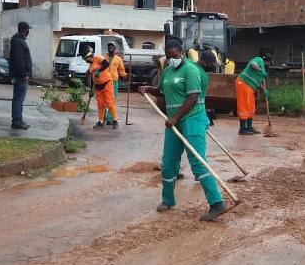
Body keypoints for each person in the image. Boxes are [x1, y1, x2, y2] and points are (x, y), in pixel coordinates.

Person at [140, 38, 226, 221]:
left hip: (192, 119)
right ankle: (168, 200)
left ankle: (217, 203)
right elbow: (162, 91)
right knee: (169, 161)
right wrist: (149, 89)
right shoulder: (168, 71)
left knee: (197, 161)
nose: (172, 59)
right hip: (173, 122)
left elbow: (193, 97)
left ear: (182, 53)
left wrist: (176, 117)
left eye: (175, 56)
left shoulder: (191, 71)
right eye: (169, 57)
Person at [235, 53, 269, 135]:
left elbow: (258, 81)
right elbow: (252, 64)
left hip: (250, 87)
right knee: (244, 106)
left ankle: (249, 127)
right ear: (267, 61)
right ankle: (242, 129)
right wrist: (260, 70)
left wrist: (264, 90)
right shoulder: (258, 60)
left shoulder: (262, 70)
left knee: (251, 107)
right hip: (243, 83)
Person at [8, 21, 32, 130]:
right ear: (23, 30)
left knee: (19, 99)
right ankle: (17, 121)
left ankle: (19, 120)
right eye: (27, 30)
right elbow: (19, 60)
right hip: (20, 76)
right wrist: (24, 74)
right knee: (18, 99)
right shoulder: (18, 42)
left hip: (19, 75)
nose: (28, 32)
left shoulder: (19, 41)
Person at [85, 51, 117, 128]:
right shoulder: (90, 66)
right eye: (85, 59)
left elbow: (106, 64)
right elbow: (92, 78)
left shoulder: (98, 58)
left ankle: (115, 120)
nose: (86, 60)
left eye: (87, 58)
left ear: (90, 56)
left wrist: (99, 71)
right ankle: (100, 121)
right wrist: (91, 90)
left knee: (109, 103)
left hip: (107, 83)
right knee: (100, 105)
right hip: (98, 86)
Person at [103, 42, 128, 124]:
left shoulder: (118, 59)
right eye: (109, 46)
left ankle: (109, 119)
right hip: (104, 82)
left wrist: (126, 75)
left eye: (112, 46)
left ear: (115, 48)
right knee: (104, 100)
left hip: (114, 82)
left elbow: (121, 71)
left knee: (112, 101)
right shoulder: (103, 57)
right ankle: (102, 117)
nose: (110, 48)